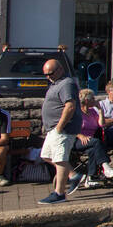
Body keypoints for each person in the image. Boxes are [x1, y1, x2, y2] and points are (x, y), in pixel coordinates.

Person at [38, 57, 84, 204]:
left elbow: (70, 106)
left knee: (60, 159)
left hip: (63, 129)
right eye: (45, 74)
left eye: (50, 73)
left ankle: (59, 193)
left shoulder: (66, 84)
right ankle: (73, 175)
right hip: (53, 129)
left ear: (60, 70)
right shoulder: (55, 83)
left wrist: (59, 127)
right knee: (46, 155)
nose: (48, 76)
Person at [72, 88, 113, 188]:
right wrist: (81, 136)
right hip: (76, 140)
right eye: (92, 98)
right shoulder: (76, 113)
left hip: (90, 141)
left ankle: (90, 178)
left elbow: (101, 125)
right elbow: (70, 128)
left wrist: (100, 110)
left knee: (93, 149)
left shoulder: (92, 111)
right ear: (86, 100)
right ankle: (106, 167)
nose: (95, 100)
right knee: (96, 142)